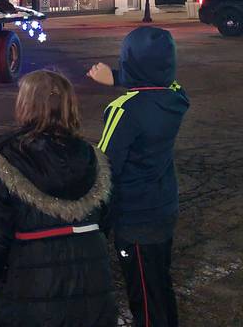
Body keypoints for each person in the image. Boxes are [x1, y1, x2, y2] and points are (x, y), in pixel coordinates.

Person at [0, 70, 116, 326]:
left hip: (32, 279)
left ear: (26, 104)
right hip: (92, 273)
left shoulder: (7, 159)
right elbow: (106, 219)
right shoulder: (92, 156)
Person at [88, 27, 189, 327]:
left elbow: (103, 167)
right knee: (159, 285)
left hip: (135, 217)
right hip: (163, 207)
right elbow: (165, 83)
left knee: (144, 297)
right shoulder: (176, 99)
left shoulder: (123, 110)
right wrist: (119, 78)